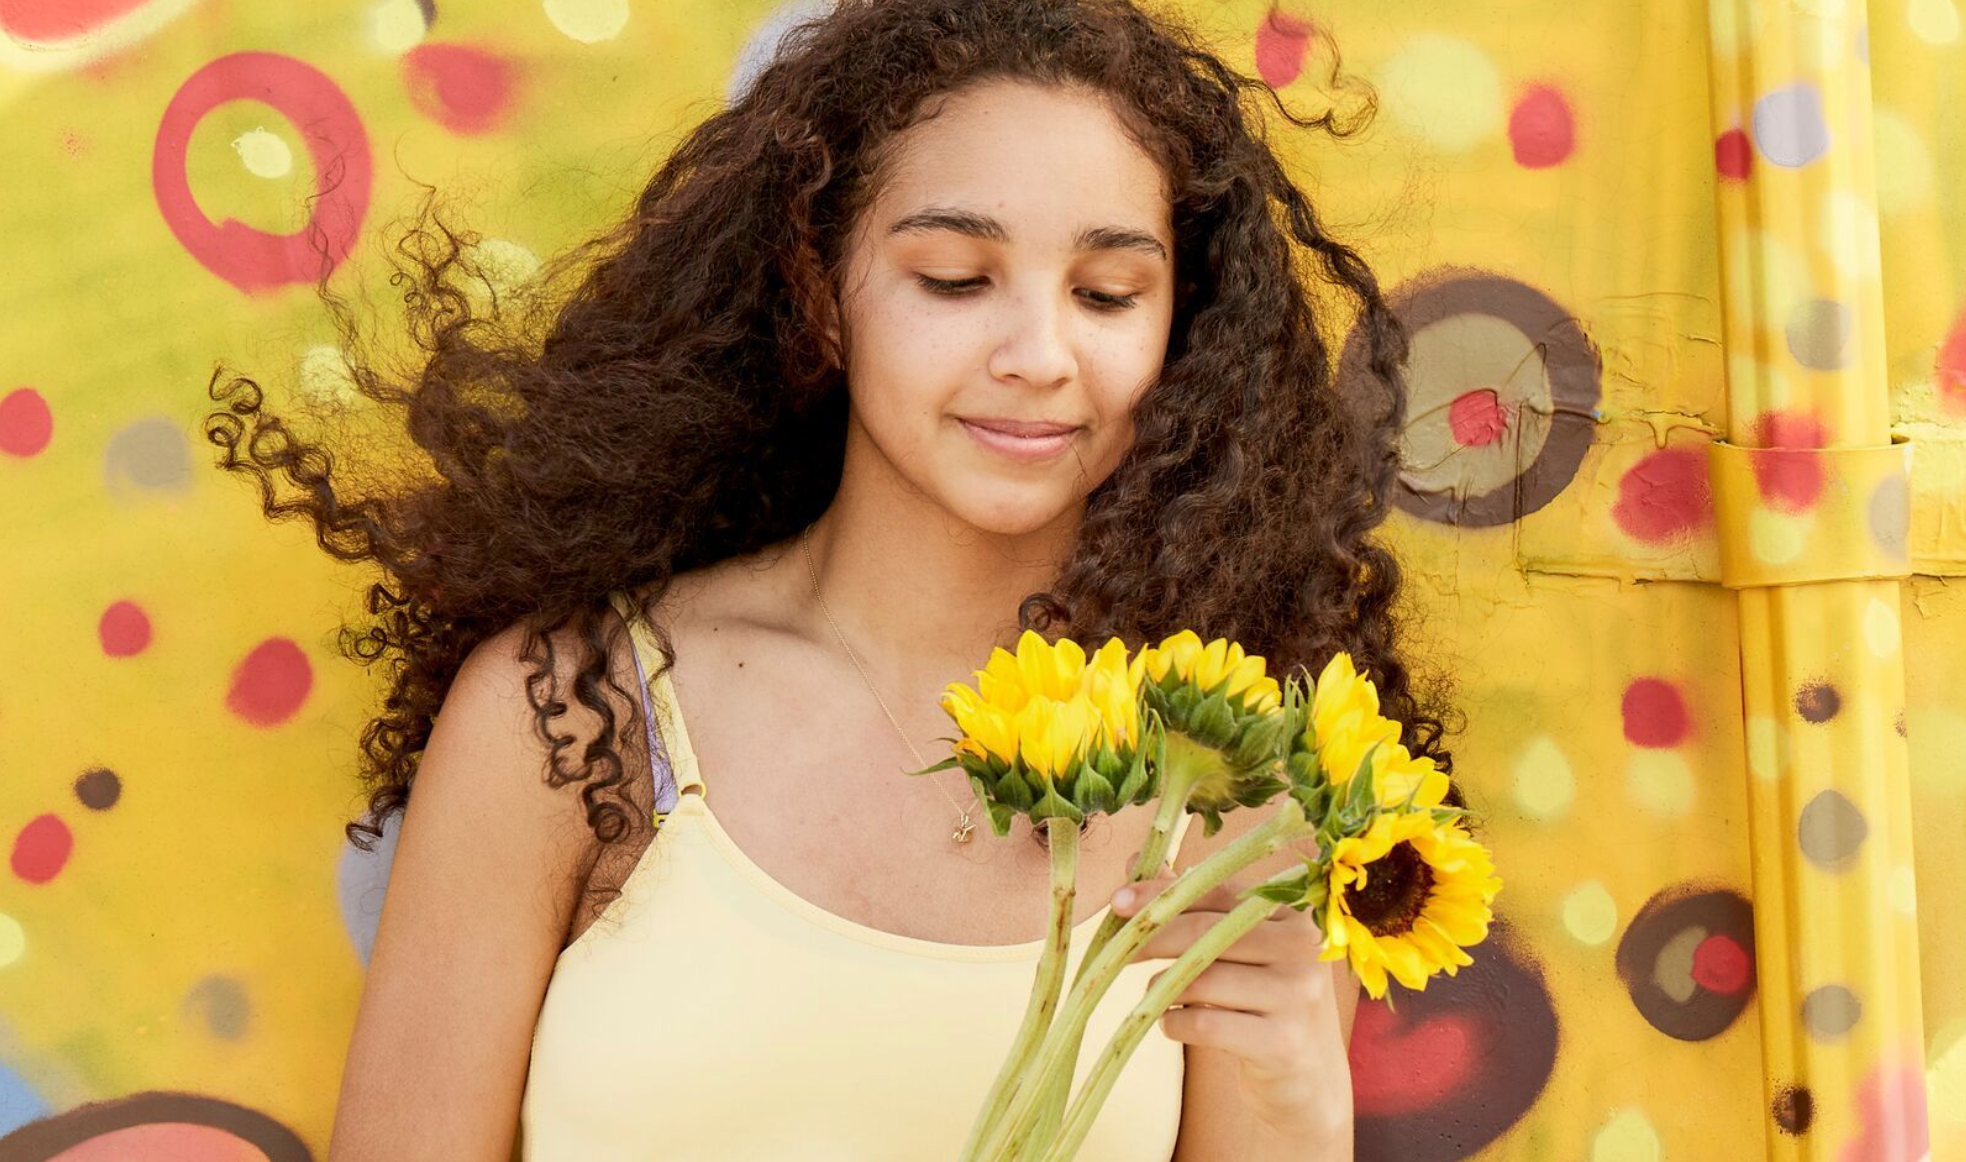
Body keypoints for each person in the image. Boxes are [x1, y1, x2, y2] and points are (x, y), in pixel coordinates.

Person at [203, 0, 1459, 1158]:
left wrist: (1297, 1081)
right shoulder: (572, 715)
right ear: (820, 291)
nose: (1037, 353)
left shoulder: (1245, 783)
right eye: (954, 279)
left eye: (1107, 292)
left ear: (1182, 328)